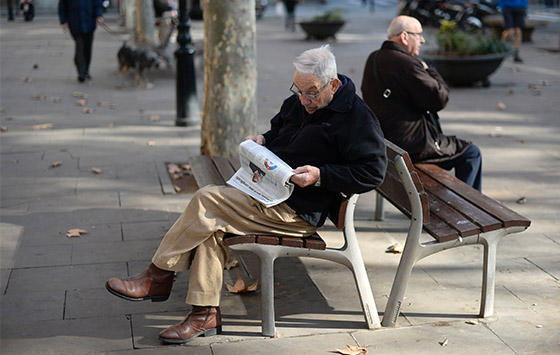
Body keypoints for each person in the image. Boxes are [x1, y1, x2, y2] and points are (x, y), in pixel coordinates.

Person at [105, 45, 387, 344]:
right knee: (210, 227)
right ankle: (204, 315)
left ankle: (157, 276)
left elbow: (372, 172)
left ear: (333, 84)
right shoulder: (301, 102)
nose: (304, 100)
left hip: (296, 211)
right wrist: (262, 140)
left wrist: (321, 175)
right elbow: (280, 129)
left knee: (207, 200)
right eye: (299, 90)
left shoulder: (357, 119)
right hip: (267, 192)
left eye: (312, 93)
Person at [361, 15, 482, 192]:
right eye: (418, 35)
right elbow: (439, 99)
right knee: (471, 153)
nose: (422, 40)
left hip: (385, 141)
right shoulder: (407, 63)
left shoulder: (374, 57)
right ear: (404, 36)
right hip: (412, 144)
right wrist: (430, 71)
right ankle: (470, 207)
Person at [58, 0, 104, 82]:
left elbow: (98, 4)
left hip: (89, 23)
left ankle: (86, 70)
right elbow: (62, 7)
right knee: (80, 46)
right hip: (75, 23)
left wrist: (99, 15)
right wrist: (63, 21)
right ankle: (81, 72)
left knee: (87, 48)